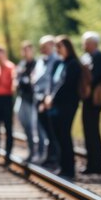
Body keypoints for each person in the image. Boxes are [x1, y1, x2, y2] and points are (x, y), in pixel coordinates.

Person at [45, 36, 81, 179]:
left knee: (64, 135)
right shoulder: (59, 63)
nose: (57, 50)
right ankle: (62, 166)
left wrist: (52, 98)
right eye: (56, 47)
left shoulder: (73, 64)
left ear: (67, 47)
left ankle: (69, 169)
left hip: (67, 105)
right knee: (58, 136)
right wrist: (48, 96)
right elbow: (52, 82)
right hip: (55, 105)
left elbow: (65, 84)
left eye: (60, 47)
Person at [80, 31, 101, 174]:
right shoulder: (86, 57)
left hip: (95, 101)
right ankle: (91, 163)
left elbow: (95, 78)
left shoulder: (99, 58)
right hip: (86, 100)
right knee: (87, 131)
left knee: (93, 132)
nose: (83, 45)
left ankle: (97, 165)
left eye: (86, 42)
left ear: (94, 43)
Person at [33, 35, 61, 166]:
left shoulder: (56, 60)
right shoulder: (40, 61)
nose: (42, 49)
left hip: (48, 100)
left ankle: (54, 157)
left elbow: (52, 81)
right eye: (41, 47)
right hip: (38, 98)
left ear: (51, 45)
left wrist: (46, 99)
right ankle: (49, 156)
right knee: (44, 129)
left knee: (52, 130)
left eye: (45, 46)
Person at [15, 41, 38, 162]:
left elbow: (32, 81)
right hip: (22, 98)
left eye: (27, 49)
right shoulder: (22, 64)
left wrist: (24, 80)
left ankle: (37, 152)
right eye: (23, 50)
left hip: (31, 99)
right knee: (25, 126)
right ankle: (31, 150)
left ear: (31, 50)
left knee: (33, 127)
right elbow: (18, 80)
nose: (25, 52)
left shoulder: (36, 63)